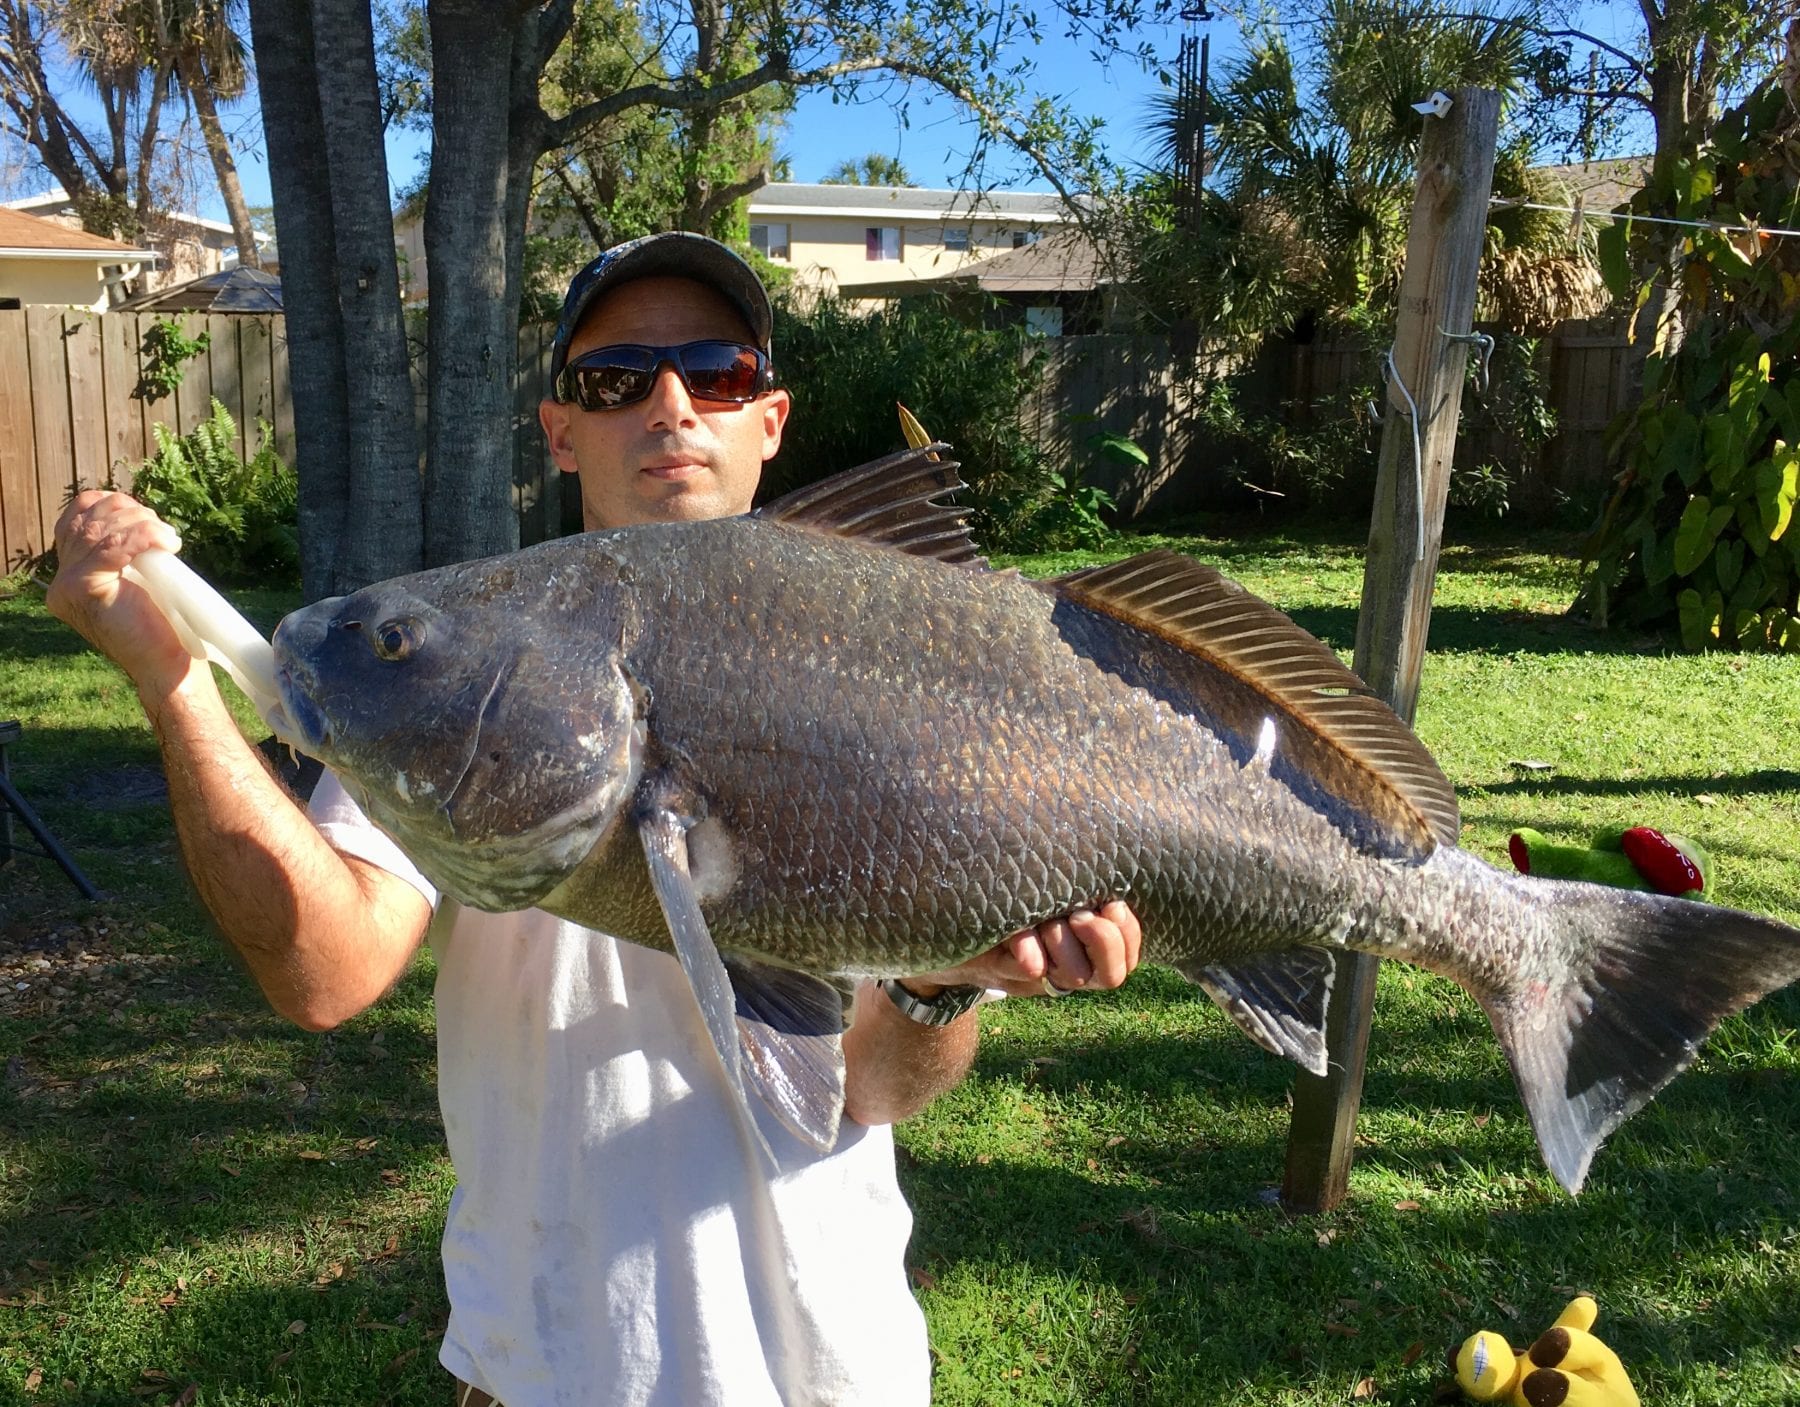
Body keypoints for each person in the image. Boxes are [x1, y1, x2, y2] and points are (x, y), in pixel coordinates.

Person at [46, 231, 1143, 1407]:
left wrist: (943, 981)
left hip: (831, 1372)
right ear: (561, 429)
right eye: (619, 380)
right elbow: (323, 972)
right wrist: (174, 687)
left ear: (767, 420)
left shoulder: (907, 670)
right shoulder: (471, 672)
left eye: (716, 373)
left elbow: (869, 1092)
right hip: (544, 1372)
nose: (671, 405)